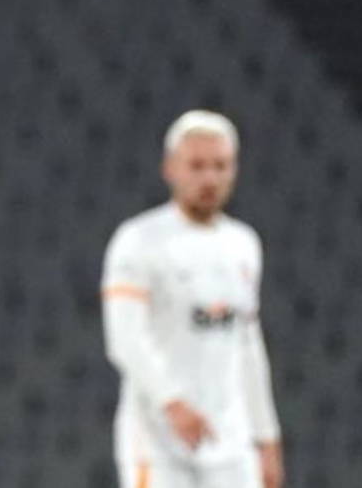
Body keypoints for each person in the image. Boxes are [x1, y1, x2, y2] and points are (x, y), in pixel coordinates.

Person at [101, 110, 283, 488]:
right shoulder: (139, 240)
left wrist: (266, 436)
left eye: (220, 166)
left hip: (230, 438)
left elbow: (247, 345)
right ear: (170, 168)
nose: (209, 179)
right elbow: (126, 338)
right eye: (197, 166)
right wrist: (172, 402)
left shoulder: (243, 245)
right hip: (158, 440)